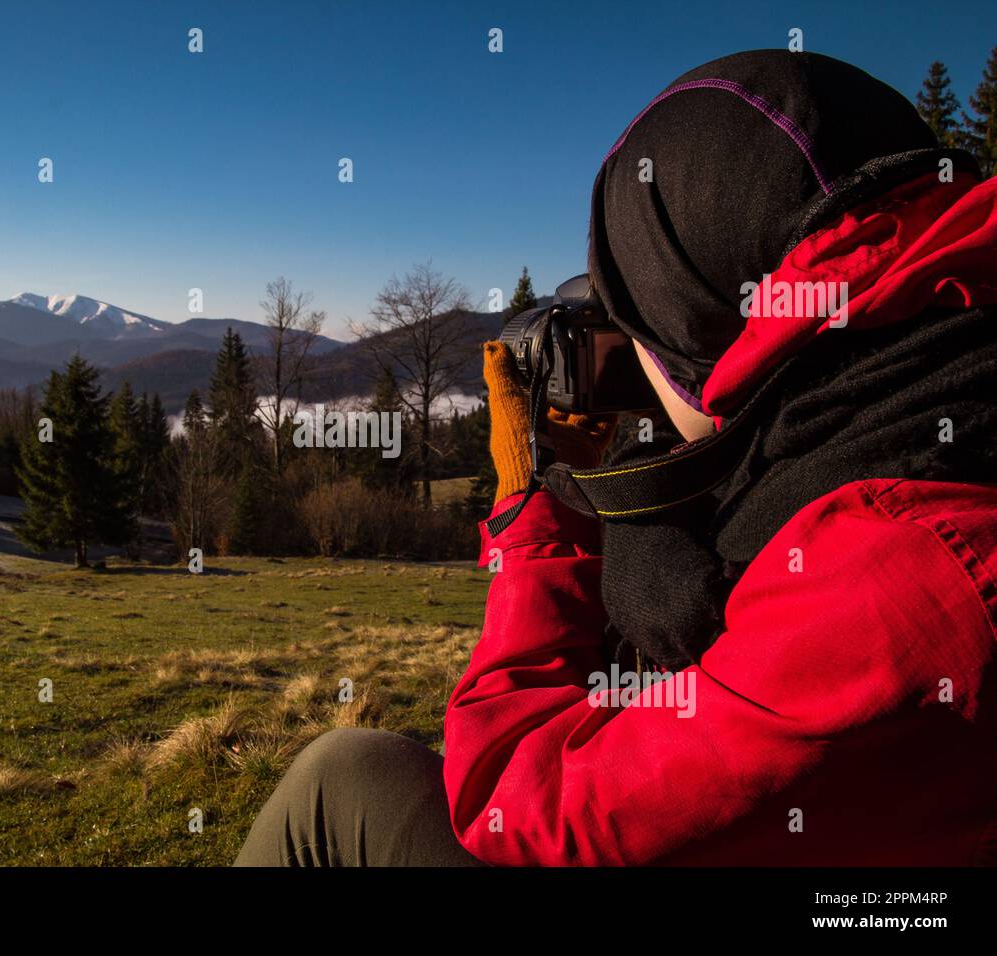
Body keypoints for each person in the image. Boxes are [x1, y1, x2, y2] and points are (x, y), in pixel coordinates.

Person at [235, 49, 997, 867]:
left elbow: (514, 812)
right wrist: (657, 507)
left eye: (641, 325)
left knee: (339, 777)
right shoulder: (915, 403)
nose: (630, 363)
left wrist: (540, 519)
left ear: (704, 328)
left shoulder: (896, 574)